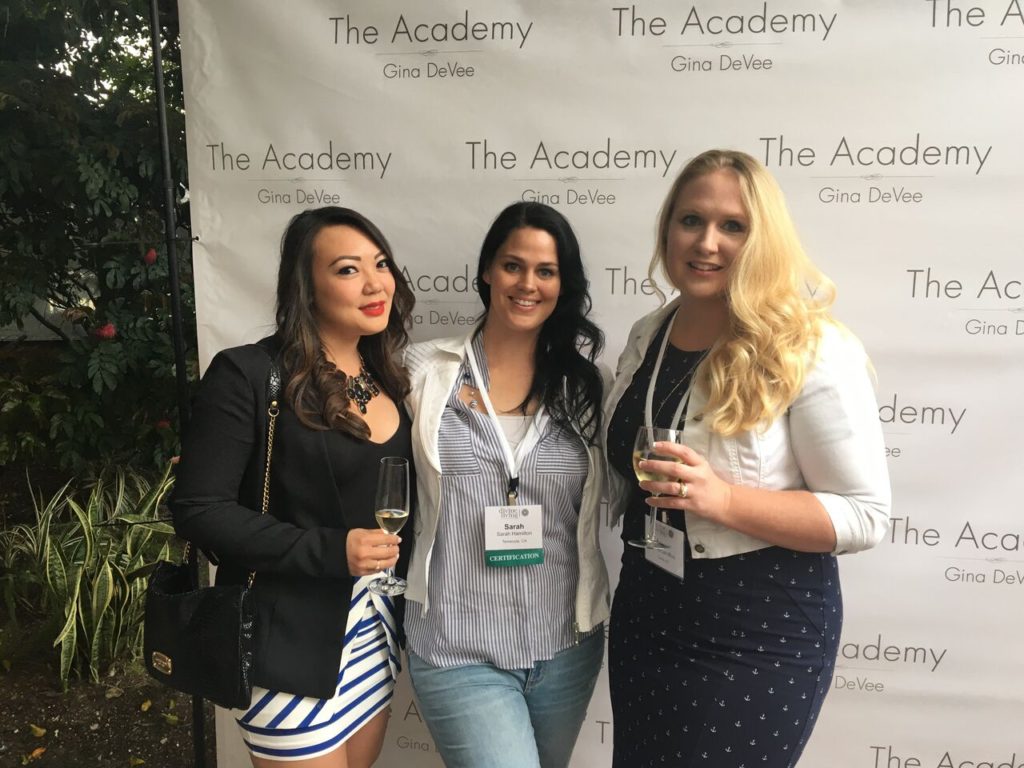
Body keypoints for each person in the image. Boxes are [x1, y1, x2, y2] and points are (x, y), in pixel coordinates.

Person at [603, 149, 891, 767]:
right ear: (666, 229)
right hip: (647, 608)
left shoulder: (808, 347)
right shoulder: (648, 334)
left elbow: (864, 516)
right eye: (690, 221)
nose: (707, 242)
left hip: (758, 628)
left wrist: (723, 500)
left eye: (733, 226)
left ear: (763, 240)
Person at [171, 206, 416, 767]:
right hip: (286, 641)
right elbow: (198, 509)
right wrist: (332, 549)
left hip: (371, 635)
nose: (376, 282)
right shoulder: (250, 375)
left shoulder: (387, 378)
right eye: (349, 269)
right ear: (306, 287)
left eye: (381, 264)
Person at [402, 202, 609, 768]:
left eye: (546, 271)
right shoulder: (422, 373)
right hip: (456, 644)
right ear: (487, 271)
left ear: (563, 284)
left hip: (566, 644)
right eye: (513, 265)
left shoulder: (589, 387)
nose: (528, 283)